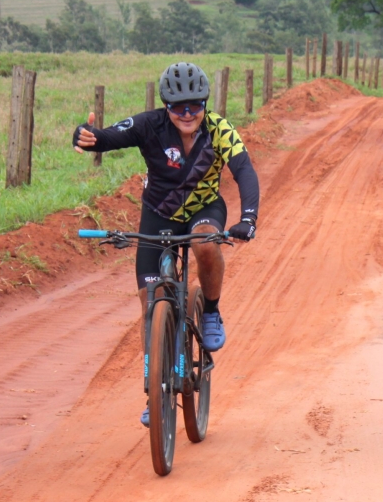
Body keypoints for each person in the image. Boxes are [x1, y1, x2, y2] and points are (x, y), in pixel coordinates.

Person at [72, 62, 259, 426]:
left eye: (195, 106)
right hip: (158, 213)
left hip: (205, 208)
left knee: (206, 244)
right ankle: (155, 391)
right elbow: (108, 137)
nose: (187, 114)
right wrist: (87, 135)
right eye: (178, 107)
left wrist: (248, 218)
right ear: (165, 105)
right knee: (149, 307)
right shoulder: (149, 125)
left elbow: (245, 171)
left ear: (205, 103)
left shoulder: (220, 130)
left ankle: (210, 311)